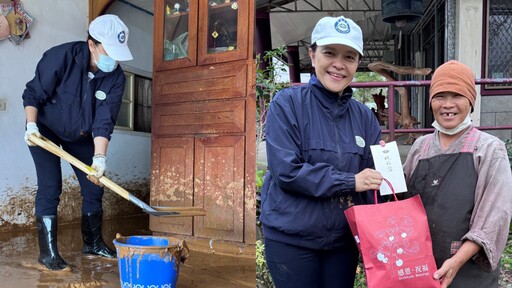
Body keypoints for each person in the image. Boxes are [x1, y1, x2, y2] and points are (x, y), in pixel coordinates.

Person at [259, 16, 384, 288]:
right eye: (330, 53)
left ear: (357, 64)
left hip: (342, 241)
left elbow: (373, 183)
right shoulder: (287, 105)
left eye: (349, 57)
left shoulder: (365, 118)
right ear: (312, 55)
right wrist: (350, 181)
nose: (339, 64)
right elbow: (287, 171)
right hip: (291, 238)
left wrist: (386, 168)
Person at [22, 14, 133, 271]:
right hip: (45, 130)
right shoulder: (61, 57)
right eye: (109, 52)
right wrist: (31, 126)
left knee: (94, 186)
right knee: (51, 187)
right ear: (91, 44)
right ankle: (48, 254)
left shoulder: (116, 77)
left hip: (81, 135)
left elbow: (104, 121)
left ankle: (92, 243)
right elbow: (33, 93)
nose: (113, 60)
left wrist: (100, 157)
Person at [402, 60, 512, 288]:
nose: (448, 104)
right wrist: (385, 169)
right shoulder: (420, 147)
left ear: (471, 101)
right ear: (431, 100)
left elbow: (494, 217)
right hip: (420, 267)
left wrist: (457, 260)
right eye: (440, 96)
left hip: (468, 272)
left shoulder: (489, 149)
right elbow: (400, 202)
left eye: (458, 96)